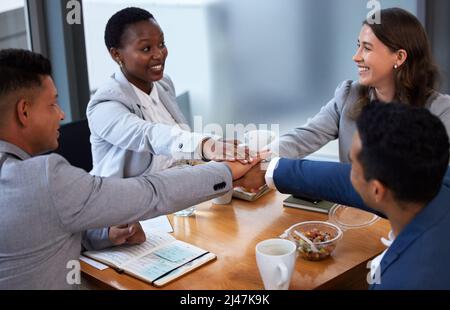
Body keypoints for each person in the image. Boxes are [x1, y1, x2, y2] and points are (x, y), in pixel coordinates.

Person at [0, 49, 258, 289]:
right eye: (53, 104)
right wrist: (225, 171)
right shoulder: (43, 177)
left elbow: (42, 233)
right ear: (23, 111)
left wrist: (104, 233)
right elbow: (151, 193)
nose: (62, 114)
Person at [236, 102, 450, 289]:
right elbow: (336, 178)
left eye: (353, 165)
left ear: (377, 190)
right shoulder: (437, 183)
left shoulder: (408, 281)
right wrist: (269, 169)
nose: (347, 172)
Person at [87, 7, 249, 180]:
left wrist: (216, 146)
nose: (159, 54)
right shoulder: (104, 106)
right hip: (128, 200)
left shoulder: (163, 84)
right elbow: (148, 135)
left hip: (173, 187)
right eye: (146, 48)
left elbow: (176, 149)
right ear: (116, 54)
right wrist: (204, 145)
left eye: (161, 44)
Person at [269, 7, 450, 162]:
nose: (356, 57)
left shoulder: (441, 111)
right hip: (350, 203)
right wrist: (257, 157)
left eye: (367, 48)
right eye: (358, 46)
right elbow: (303, 138)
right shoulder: (350, 95)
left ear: (400, 57)